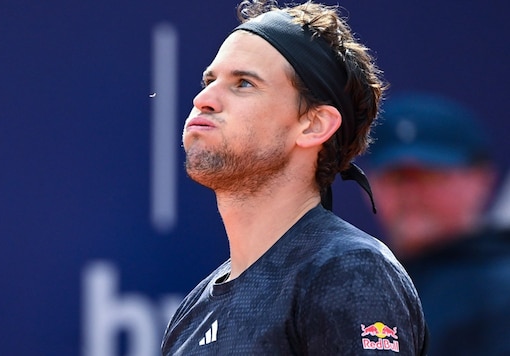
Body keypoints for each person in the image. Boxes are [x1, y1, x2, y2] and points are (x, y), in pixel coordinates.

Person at [161, 1, 428, 354]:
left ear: (313, 125)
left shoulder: (348, 270)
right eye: (210, 80)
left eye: (243, 83)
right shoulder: (191, 313)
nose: (203, 99)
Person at [366, 92, 510, 355]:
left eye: (430, 176)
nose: (410, 195)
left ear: (482, 179)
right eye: (396, 178)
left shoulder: (501, 293)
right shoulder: (356, 280)